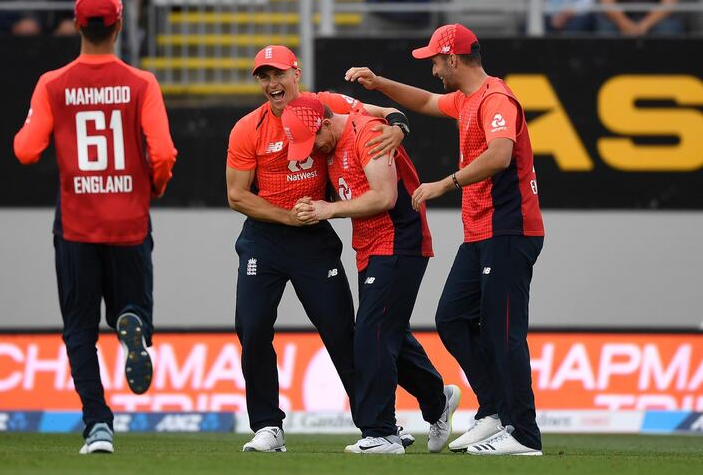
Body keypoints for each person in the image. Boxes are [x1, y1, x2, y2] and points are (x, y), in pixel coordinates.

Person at [345, 23, 545, 456]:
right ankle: (494, 410)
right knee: (452, 318)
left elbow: (500, 153)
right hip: (483, 233)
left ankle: (523, 434)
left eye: (435, 60)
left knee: (504, 333)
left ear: (452, 58)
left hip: (509, 230)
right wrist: (380, 84)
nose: (433, 68)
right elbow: (425, 101)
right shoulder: (468, 98)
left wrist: (444, 183)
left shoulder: (495, 98)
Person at [13, 0, 177, 454]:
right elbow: (163, 152)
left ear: (78, 25)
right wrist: (152, 187)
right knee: (135, 308)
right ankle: (134, 322)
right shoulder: (141, 83)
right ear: (119, 26)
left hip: (76, 226)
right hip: (129, 221)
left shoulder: (53, 83)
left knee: (79, 328)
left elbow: (26, 150)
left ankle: (97, 425)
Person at [226, 45, 412, 453]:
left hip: (314, 238)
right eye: (263, 76)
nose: (272, 84)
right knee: (252, 327)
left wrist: (399, 125)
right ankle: (267, 427)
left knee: (343, 334)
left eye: (278, 74)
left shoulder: (325, 104)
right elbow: (237, 196)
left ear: (297, 74)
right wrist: (287, 217)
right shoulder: (247, 129)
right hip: (266, 237)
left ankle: (379, 426)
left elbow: (377, 114)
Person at [282, 96, 461, 455]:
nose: (311, 152)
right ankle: (436, 399)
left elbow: (384, 196)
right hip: (369, 246)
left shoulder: (367, 134)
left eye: (312, 141)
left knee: (371, 334)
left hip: (399, 240)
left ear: (326, 124)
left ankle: (382, 432)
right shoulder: (330, 138)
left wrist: (327, 209)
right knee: (386, 332)